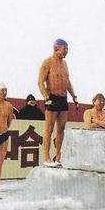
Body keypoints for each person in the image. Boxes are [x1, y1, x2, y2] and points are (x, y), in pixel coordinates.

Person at [37, 38, 79, 166]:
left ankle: (58, 156)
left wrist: (74, 96)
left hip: (63, 98)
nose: (66, 52)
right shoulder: (47, 62)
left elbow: (67, 82)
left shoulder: (65, 64)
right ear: (56, 48)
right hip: (52, 98)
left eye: (67, 49)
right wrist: (46, 97)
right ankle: (47, 158)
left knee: (61, 129)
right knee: (48, 129)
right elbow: (40, 82)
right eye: (64, 49)